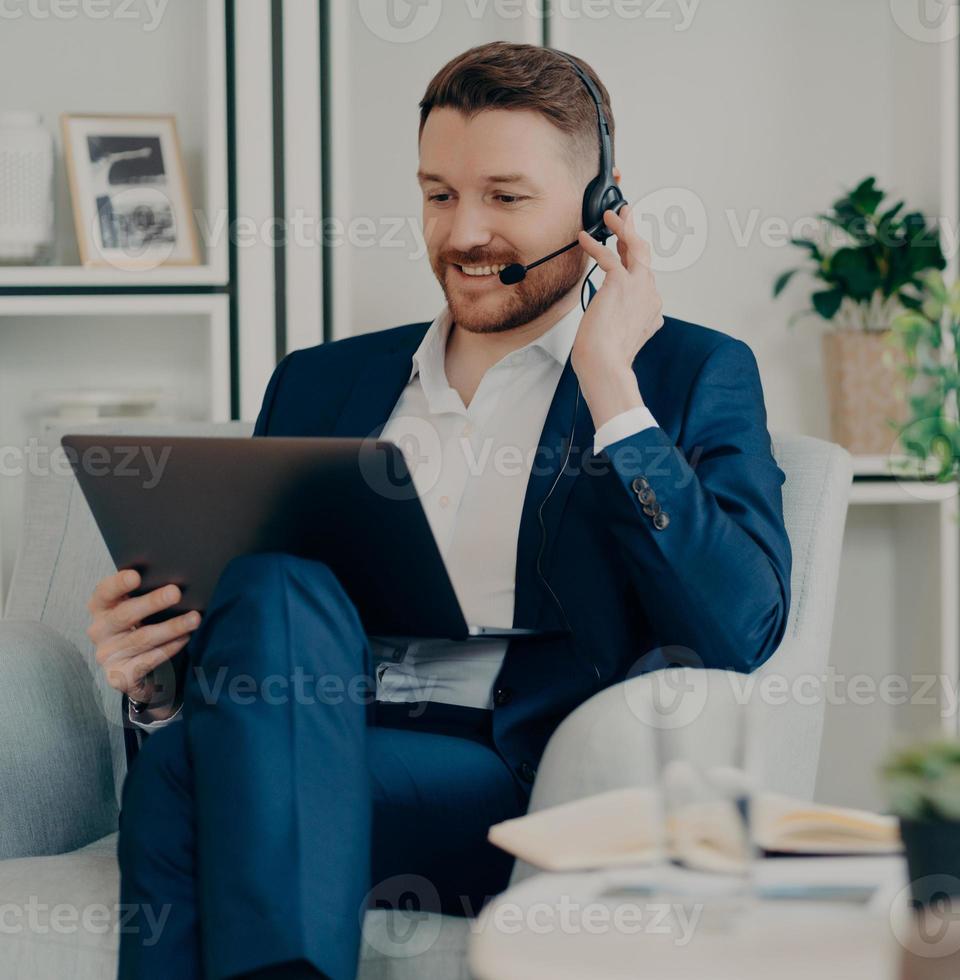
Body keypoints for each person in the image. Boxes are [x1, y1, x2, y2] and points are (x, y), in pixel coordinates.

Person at [91, 41, 791, 980]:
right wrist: (158, 687)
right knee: (260, 611)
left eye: (505, 198)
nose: (463, 233)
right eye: (438, 194)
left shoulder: (687, 373)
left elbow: (740, 626)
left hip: (500, 776)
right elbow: (240, 645)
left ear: (599, 212)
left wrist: (614, 394)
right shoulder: (317, 382)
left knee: (190, 779)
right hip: (302, 729)